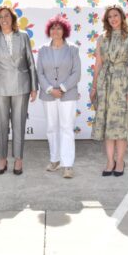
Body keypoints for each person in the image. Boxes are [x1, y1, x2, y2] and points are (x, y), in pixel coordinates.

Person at [0, 5, 38, 175]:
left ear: (13, 18)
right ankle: (2, 158)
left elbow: (30, 63)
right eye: (0, 17)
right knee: (1, 125)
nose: (4, 19)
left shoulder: (23, 36)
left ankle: (18, 159)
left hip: (21, 86)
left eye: (7, 16)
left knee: (19, 124)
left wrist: (34, 87)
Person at [90, 5, 128, 178]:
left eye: (115, 15)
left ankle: (120, 161)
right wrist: (94, 86)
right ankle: (110, 161)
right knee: (108, 124)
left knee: (120, 125)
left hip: (123, 85)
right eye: (109, 17)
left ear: (122, 17)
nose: (113, 19)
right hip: (105, 84)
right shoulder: (102, 38)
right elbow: (98, 63)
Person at [36, 14, 81, 179]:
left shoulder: (73, 49)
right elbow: (39, 73)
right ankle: (54, 160)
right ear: (49, 30)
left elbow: (76, 73)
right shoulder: (43, 50)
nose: (55, 31)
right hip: (48, 95)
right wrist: (50, 89)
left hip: (67, 95)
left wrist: (62, 88)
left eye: (59, 28)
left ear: (65, 31)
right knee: (51, 128)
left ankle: (67, 164)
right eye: (53, 28)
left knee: (66, 128)